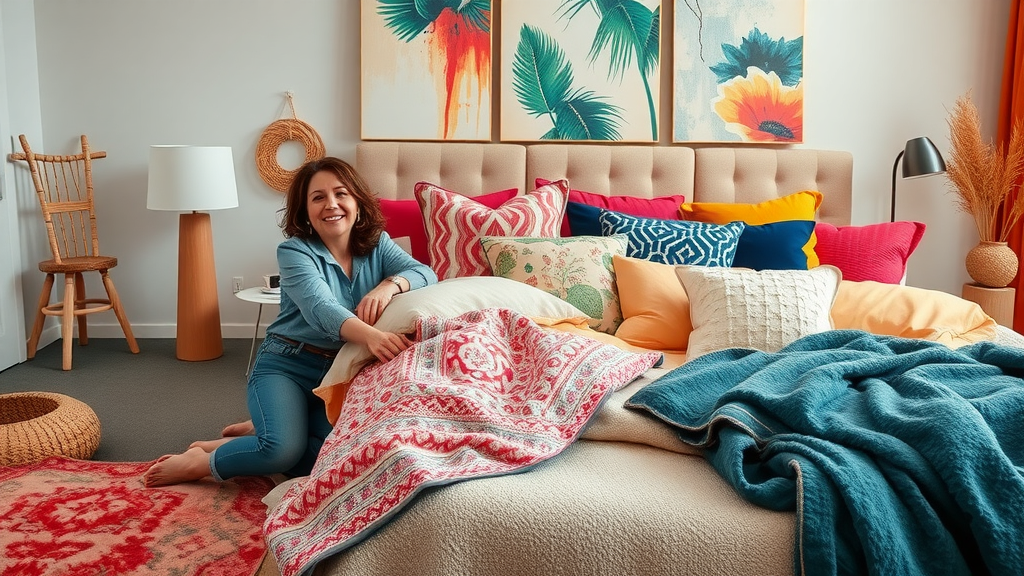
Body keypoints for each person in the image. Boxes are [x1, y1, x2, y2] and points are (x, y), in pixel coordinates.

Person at [144, 156, 438, 487]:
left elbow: (425, 272)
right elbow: (321, 308)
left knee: (337, 454)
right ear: (305, 211)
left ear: (357, 201)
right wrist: (372, 337)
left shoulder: (377, 244)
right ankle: (204, 461)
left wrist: (389, 285)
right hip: (286, 365)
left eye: (341, 194)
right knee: (280, 453)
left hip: (337, 373)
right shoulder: (294, 251)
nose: (332, 205)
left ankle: (256, 432)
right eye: (318, 198)